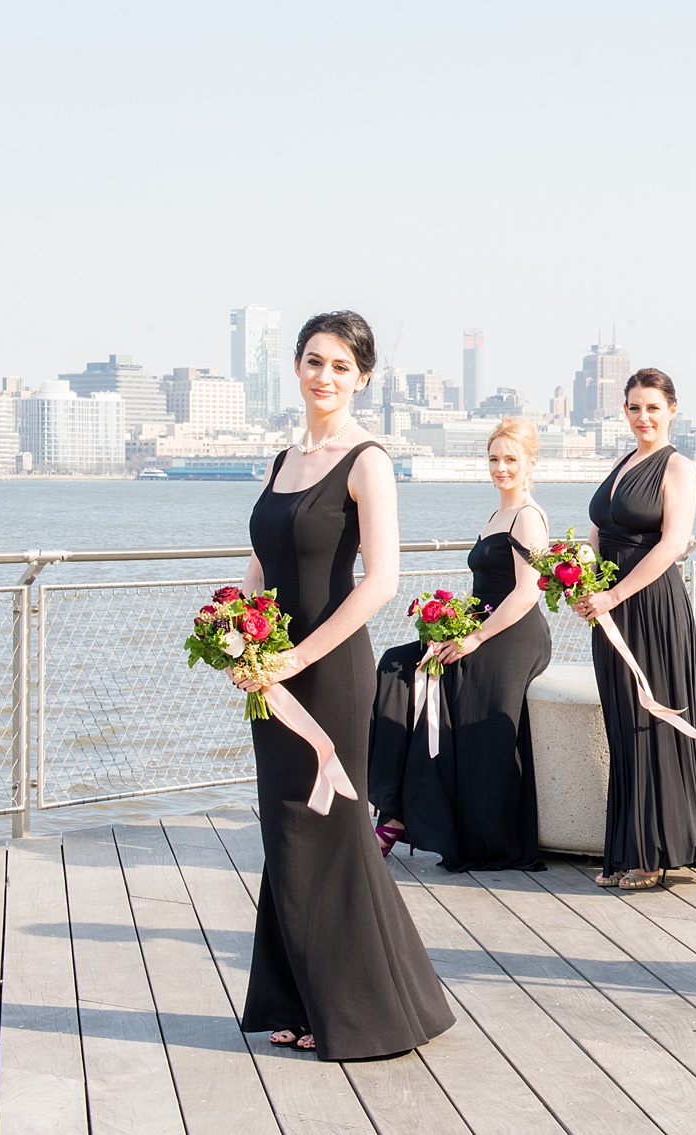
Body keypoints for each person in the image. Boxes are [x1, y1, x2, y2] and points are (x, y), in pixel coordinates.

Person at [235, 311, 452, 1059]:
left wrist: (296, 657)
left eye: (338, 365)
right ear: (295, 366)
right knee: (286, 832)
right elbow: (261, 569)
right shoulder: (279, 460)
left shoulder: (367, 460)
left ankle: (360, 1012)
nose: (322, 375)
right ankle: (307, 998)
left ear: (362, 376)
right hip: (270, 671)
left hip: (326, 670)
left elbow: (381, 581)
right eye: (312, 360)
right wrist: (235, 630)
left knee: (324, 827)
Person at [569, 368, 696, 890]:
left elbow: (672, 544)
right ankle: (626, 848)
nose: (643, 417)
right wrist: (577, 579)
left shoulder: (678, 466)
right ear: (624, 411)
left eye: (652, 408)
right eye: (634, 408)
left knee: (650, 717)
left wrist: (613, 595)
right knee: (623, 721)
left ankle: (653, 853)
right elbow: (597, 531)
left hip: (649, 606)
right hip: (607, 604)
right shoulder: (621, 464)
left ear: (672, 411)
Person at [367, 416, 552, 871]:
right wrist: (451, 628)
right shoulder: (496, 516)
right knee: (400, 665)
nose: (501, 468)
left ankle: (402, 821)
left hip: (512, 634)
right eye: (494, 458)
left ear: (531, 464)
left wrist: (473, 638)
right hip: (480, 625)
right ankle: (394, 807)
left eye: (511, 459)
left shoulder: (528, 517)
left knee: (452, 697)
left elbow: (529, 591)